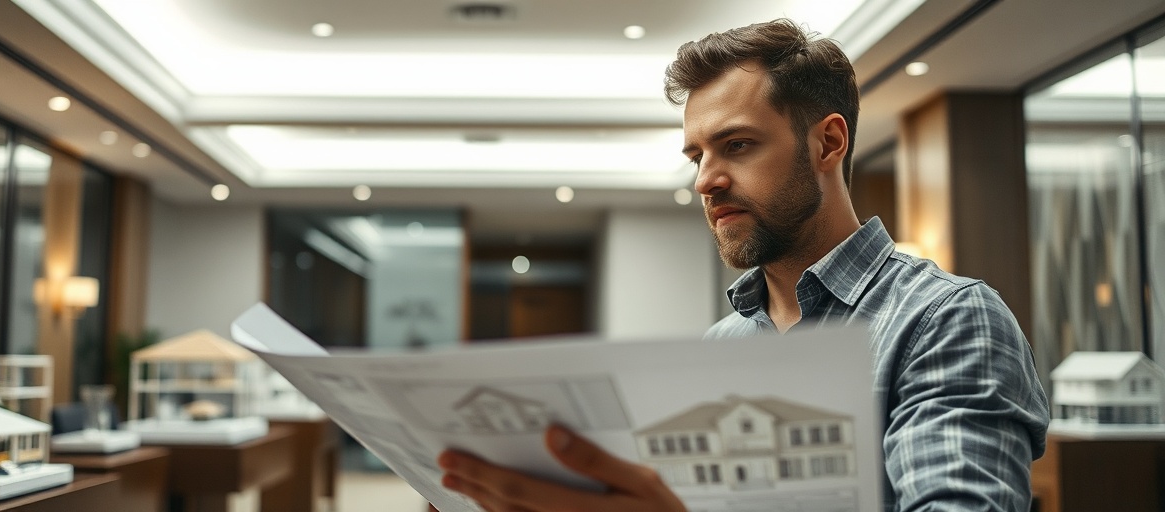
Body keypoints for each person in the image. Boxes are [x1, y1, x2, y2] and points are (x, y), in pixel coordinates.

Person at [437, 18, 1049, 512]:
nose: (706, 180)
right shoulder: (725, 341)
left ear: (828, 143)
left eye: (737, 145)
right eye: (696, 156)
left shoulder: (946, 319)